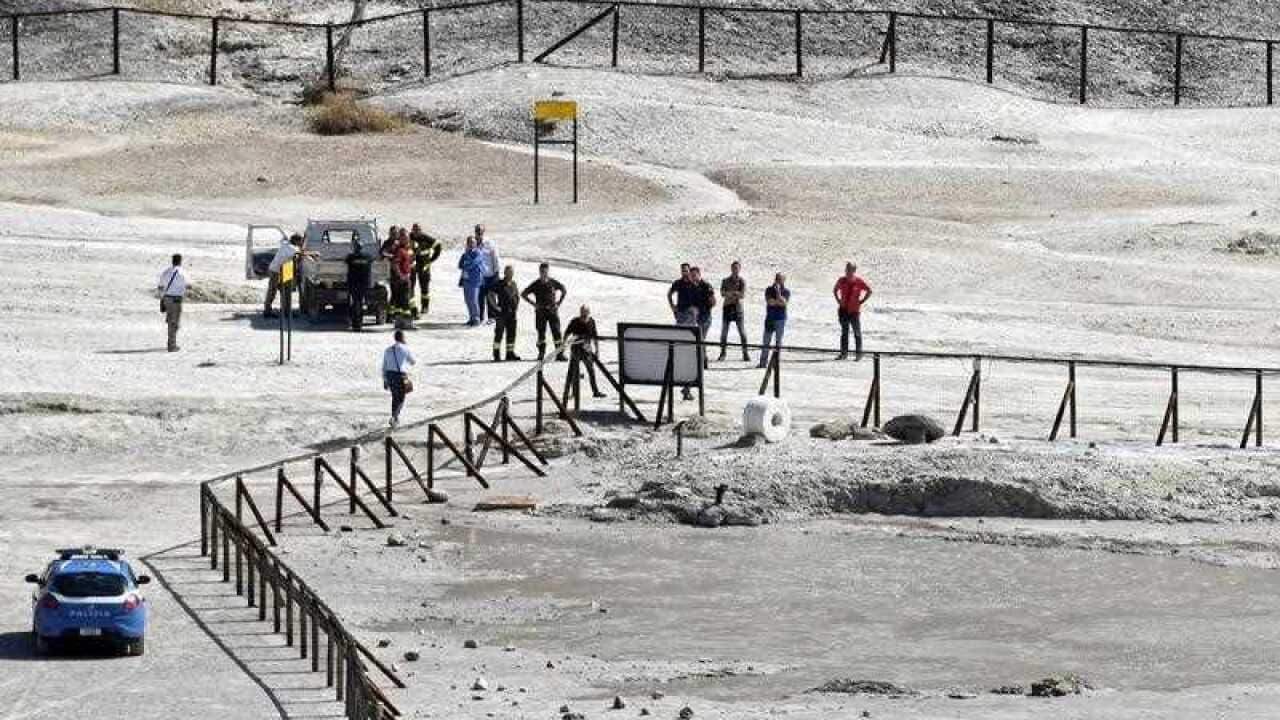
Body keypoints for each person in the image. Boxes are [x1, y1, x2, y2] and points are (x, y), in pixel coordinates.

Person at [521, 262, 568, 361]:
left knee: (557, 332)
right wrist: (534, 304)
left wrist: (558, 303)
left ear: (548, 271)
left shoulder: (553, 282)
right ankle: (541, 353)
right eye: (542, 271)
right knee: (541, 334)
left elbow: (563, 290)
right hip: (540, 312)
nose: (543, 273)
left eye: (545, 271)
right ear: (539, 271)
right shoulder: (536, 284)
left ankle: (559, 354)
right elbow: (524, 294)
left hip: (552, 311)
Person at [565, 304, 607, 398]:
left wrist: (597, 350)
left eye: (585, 312)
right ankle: (573, 392)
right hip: (576, 349)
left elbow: (595, 336)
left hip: (587, 349)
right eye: (582, 311)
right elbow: (567, 332)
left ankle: (595, 391)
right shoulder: (575, 321)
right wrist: (564, 345)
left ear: (588, 312)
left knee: (591, 371)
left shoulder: (591, 321)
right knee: (573, 372)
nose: (583, 314)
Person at [833, 262, 873, 360]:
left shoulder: (858, 281)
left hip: (854, 311)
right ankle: (844, 353)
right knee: (844, 332)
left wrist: (861, 301)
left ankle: (858, 354)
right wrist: (838, 300)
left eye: (849, 269)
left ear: (854, 270)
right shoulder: (841, 280)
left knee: (857, 332)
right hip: (843, 310)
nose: (847, 271)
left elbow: (869, 291)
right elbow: (835, 290)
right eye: (846, 269)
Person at [263, 233, 307, 318]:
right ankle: (267, 311)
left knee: (286, 292)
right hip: (276, 270)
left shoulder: (286, 244)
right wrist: (313, 253)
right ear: (296, 241)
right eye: (300, 241)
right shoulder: (290, 248)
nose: (300, 243)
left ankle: (286, 311)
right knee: (272, 291)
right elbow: (301, 253)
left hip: (286, 268)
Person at [381, 330, 415, 428]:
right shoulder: (405, 349)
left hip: (389, 375)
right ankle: (394, 417)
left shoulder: (387, 350)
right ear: (403, 338)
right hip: (400, 376)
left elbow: (384, 366)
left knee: (395, 397)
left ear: (394, 338)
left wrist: (385, 380)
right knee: (401, 398)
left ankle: (394, 418)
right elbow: (413, 362)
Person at [718, 261, 750, 363]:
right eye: (734, 268)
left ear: (739, 269)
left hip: (738, 309)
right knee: (724, 333)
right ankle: (723, 353)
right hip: (727, 308)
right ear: (731, 269)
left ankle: (745, 353)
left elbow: (742, 295)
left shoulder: (742, 281)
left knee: (742, 332)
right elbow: (722, 293)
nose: (735, 270)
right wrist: (734, 294)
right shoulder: (725, 280)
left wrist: (731, 294)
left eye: (737, 268)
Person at [489, 264, 522, 362]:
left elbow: (516, 295)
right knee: (499, 334)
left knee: (511, 334)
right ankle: (496, 354)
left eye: (511, 272)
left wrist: (516, 305)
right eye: (508, 272)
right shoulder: (499, 283)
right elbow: (490, 294)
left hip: (512, 314)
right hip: (502, 314)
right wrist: (495, 307)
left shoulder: (514, 284)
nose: (510, 274)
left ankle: (510, 353)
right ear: (505, 273)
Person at [157, 253, 188, 352]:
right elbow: (187, 286)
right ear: (180, 261)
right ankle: (172, 345)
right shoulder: (182, 273)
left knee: (171, 321)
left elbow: (160, 286)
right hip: (176, 300)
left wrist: (162, 298)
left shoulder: (166, 272)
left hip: (167, 298)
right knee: (174, 323)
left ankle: (171, 342)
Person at [758, 273, 790, 369]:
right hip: (770, 318)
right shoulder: (769, 289)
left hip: (780, 319)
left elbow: (784, 303)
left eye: (780, 279)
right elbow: (770, 302)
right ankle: (763, 363)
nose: (778, 281)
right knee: (766, 341)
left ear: (784, 281)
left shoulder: (786, 291)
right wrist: (779, 302)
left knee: (778, 342)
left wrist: (779, 294)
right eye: (777, 279)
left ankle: (776, 363)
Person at [410, 224, 443, 316]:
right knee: (410, 287)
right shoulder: (409, 237)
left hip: (424, 266)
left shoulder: (426, 238)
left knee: (424, 288)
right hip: (412, 266)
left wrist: (431, 260)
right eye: (414, 230)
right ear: (412, 230)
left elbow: (438, 246)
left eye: (418, 230)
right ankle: (412, 307)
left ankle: (425, 307)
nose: (416, 232)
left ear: (421, 230)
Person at [344, 238, 374, 331]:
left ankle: (355, 323)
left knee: (354, 303)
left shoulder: (350, 257)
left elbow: (346, 261)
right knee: (360, 303)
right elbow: (372, 260)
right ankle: (359, 323)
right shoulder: (368, 257)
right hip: (364, 284)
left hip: (353, 284)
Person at [691, 266, 716, 369]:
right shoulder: (692, 287)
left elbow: (713, 302)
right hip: (696, 317)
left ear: (699, 274)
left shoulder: (706, 285)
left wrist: (705, 307)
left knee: (701, 339)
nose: (692, 277)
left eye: (694, 275)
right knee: (700, 339)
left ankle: (703, 362)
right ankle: (702, 361)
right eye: (691, 276)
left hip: (705, 317)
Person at [475, 225, 500, 324]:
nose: (479, 233)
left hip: (490, 275)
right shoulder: (473, 243)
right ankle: (480, 317)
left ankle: (492, 317)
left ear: (483, 232)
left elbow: (496, 258)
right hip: (478, 276)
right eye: (477, 231)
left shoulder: (490, 243)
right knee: (479, 297)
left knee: (491, 296)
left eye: (480, 231)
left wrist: (497, 272)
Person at [458, 237, 485, 326]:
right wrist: (466, 263)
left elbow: (473, 264)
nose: (470, 244)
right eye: (469, 242)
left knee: (473, 300)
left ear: (475, 244)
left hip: (475, 280)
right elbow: (460, 264)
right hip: (466, 280)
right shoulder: (465, 253)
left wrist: (466, 263)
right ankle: (471, 318)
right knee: (468, 300)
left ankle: (476, 319)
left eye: (472, 242)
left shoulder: (478, 253)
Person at [389, 233, 415, 327]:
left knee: (399, 303)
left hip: (403, 279)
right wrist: (401, 276)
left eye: (407, 239)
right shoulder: (400, 251)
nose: (408, 241)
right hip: (402, 281)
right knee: (405, 302)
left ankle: (399, 322)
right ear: (401, 240)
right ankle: (407, 323)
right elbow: (395, 264)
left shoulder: (404, 250)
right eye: (405, 239)